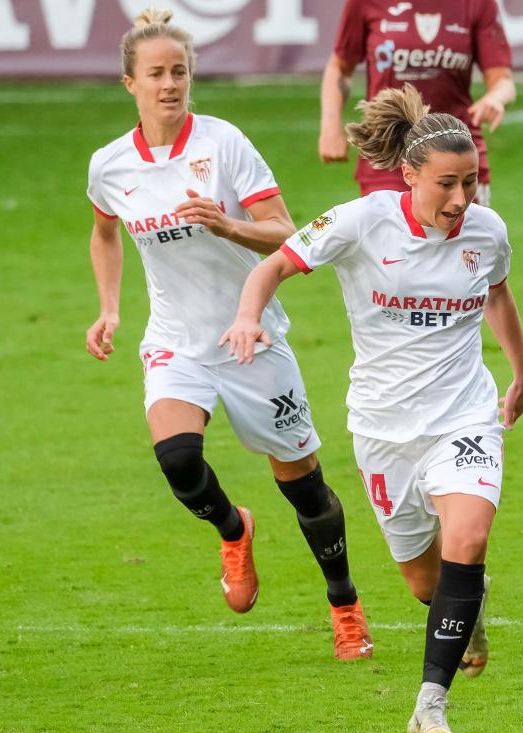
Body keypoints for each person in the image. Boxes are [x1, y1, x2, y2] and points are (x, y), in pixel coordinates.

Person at [223, 85, 523, 733]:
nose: (460, 200)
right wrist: (248, 315)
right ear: (410, 174)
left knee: (469, 538)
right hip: (383, 429)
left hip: (464, 415)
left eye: (470, 183)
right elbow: (275, 264)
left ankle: (430, 704)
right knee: (427, 581)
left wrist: (522, 368)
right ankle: (468, 611)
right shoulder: (359, 222)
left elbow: (497, 293)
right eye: (446, 184)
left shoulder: (488, 229)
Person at [84, 7, 373, 661]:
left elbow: (288, 231)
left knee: (303, 487)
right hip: (175, 341)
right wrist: (109, 308)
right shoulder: (109, 166)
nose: (169, 84)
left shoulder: (223, 145)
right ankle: (232, 526)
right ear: (129, 82)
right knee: (178, 459)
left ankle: (345, 605)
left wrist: (228, 226)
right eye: (155, 74)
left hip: (252, 339)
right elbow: (104, 230)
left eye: (179, 71)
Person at [318, 0, 516, 205]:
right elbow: (340, 67)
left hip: (457, 155)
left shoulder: (478, 4)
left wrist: (496, 98)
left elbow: (503, 80)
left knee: (463, 236)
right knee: (390, 235)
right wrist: (330, 127)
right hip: (389, 152)